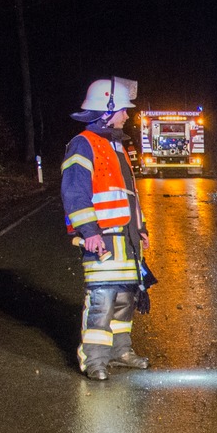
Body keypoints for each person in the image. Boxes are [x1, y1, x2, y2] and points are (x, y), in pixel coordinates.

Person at [61, 77, 151, 381]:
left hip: (126, 239)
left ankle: (120, 350)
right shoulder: (82, 144)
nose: (127, 115)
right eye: (124, 110)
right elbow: (74, 192)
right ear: (106, 110)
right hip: (102, 239)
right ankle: (95, 358)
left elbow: (128, 194)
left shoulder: (116, 145)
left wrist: (141, 228)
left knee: (125, 298)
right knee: (102, 300)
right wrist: (89, 232)